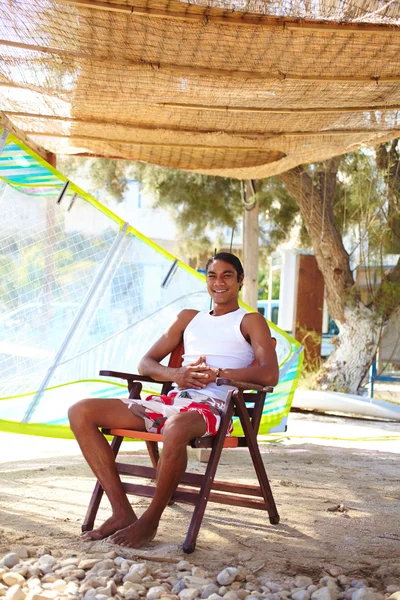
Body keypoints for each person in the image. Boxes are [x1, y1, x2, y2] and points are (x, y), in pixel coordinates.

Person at [68, 252, 279, 548]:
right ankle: (121, 511)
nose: (219, 282)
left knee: (176, 427)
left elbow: (269, 374)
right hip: (171, 402)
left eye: (227, 275)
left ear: (240, 280)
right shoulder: (188, 318)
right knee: (80, 412)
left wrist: (218, 373)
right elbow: (146, 364)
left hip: (213, 406)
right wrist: (176, 374)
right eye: (212, 276)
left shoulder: (250, 321)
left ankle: (150, 521)